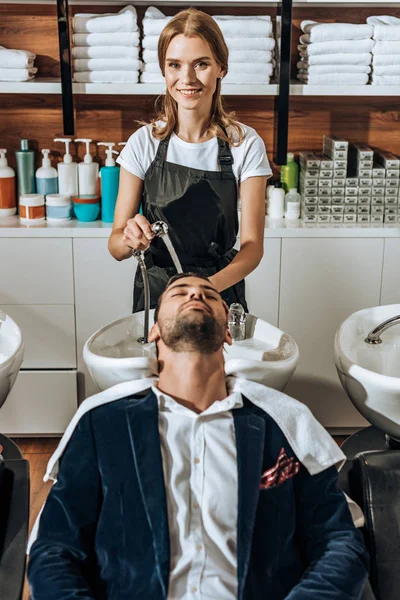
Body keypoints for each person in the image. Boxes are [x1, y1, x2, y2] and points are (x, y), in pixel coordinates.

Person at [28, 273, 369, 600]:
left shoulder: (283, 424)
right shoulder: (102, 425)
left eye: (210, 295)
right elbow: (55, 549)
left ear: (228, 335)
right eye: (180, 293)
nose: (195, 294)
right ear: (155, 331)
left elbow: (338, 542)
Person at [108, 8, 272, 313]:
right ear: (164, 70)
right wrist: (131, 239)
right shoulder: (143, 143)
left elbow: (252, 247)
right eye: (175, 65)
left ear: (221, 68)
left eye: (201, 64)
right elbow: (116, 246)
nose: (187, 78)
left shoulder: (244, 144)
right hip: (157, 295)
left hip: (219, 291)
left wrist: (206, 290)